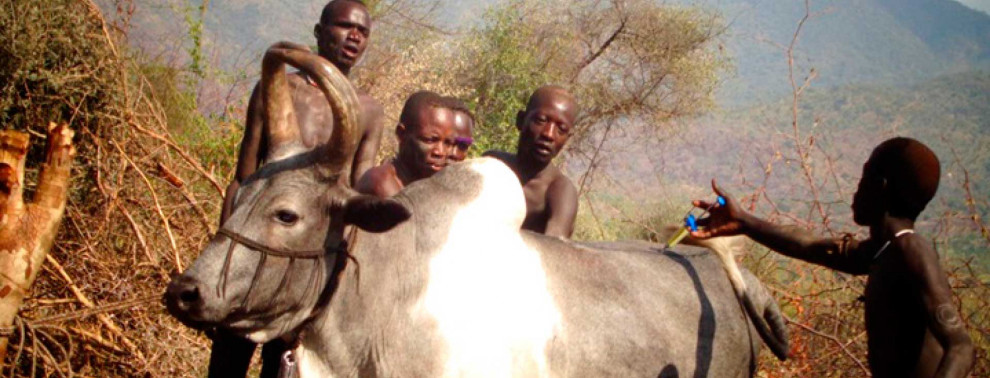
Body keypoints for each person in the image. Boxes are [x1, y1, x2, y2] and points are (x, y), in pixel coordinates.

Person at [690, 137, 974, 377]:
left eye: (863, 177)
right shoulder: (883, 251)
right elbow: (810, 246)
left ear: (880, 186)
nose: (856, 188)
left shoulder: (912, 250)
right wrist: (743, 222)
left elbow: (961, 347)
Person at [211, 1, 384, 376]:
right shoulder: (278, 89)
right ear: (320, 31)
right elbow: (244, 177)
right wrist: (223, 255)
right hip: (254, 248)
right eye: (344, 26)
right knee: (228, 358)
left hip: (307, 262)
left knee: (283, 366)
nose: (354, 37)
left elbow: (357, 187)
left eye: (363, 31)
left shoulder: (368, 111)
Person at [484, 85, 579, 238]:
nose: (549, 134)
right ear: (521, 120)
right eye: (541, 120)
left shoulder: (560, 191)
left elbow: (553, 251)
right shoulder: (492, 164)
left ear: (567, 138)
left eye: (561, 129)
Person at [355, 91, 474, 198]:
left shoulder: (428, 186)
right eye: (430, 140)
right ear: (401, 134)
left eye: (447, 143)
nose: (440, 152)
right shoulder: (380, 182)